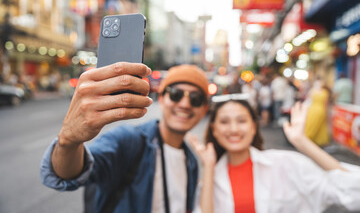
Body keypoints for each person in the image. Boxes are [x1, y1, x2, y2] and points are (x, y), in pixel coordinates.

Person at [40, 63, 209, 213]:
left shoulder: (192, 162)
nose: (185, 105)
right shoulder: (130, 140)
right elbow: (69, 175)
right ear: (162, 98)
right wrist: (69, 141)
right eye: (176, 94)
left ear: (204, 109)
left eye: (196, 99)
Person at [188, 94, 360, 213]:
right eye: (224, 122)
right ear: (214, 130)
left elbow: (353, 191)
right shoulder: (212, 178)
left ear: (254, 127)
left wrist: (303, 142)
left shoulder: (284, 164)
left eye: (241, 121)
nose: (233, 129)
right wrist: (208, 167)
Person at [304, 78, 331, 147]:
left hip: (313, 110)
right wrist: (327, 113)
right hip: (321, 110)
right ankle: (319, 140)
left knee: (312, 124)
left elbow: (308, 101)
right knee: (321, 126)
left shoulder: (312, 91)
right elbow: (326, 104)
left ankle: (308, 138)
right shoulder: (325, 92)